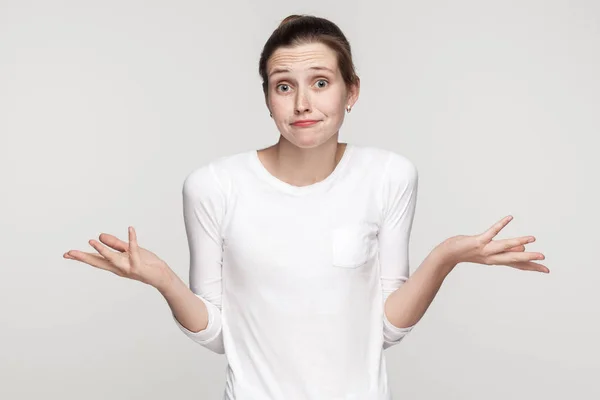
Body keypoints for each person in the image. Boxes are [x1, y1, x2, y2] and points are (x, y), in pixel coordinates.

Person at [63, 14, 549, 400]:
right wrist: (163, 280)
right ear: (268, 97)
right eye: (283, 85)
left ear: (350, 91)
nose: (302, 104)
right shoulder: (213, 186)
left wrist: (445, 256)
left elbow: (383, 330)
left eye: (320, 82)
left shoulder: (389, 176)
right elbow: (219, 337)